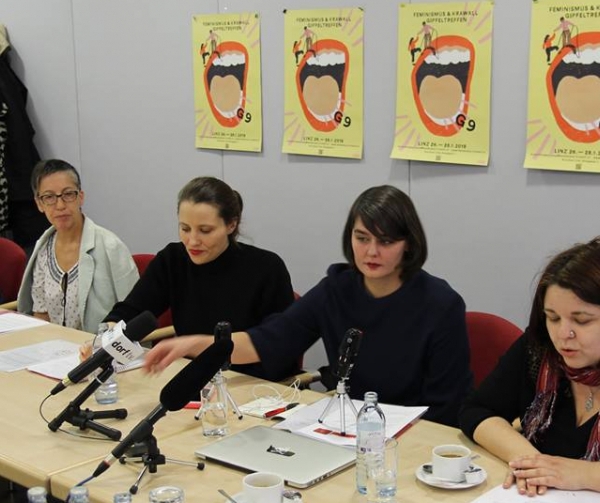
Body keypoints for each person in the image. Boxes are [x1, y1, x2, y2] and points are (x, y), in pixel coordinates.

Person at [145, 185, 472, 427]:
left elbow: (446, 409)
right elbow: (268, 341)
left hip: (415, 433)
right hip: (345, 426)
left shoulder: (440, 305)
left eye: (385, 241)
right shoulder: (336, 289)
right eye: (362, 238)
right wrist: (195, 344)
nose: (371, 251)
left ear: (408, 244)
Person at [104, 176, 296, 380]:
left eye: (205, 231)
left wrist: (193, 345)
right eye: (185, 228)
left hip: (252, 383)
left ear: (231, 225)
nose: (192, 241)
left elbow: (278, 344)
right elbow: (130, 311)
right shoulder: (172, 260)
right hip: (193, 378)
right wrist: (105, 338)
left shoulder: (266, 268)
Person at [459, 238, 600, 496]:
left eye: (581, 321)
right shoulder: (540, 350)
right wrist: (532, 463)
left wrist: (586, 474)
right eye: (553, 318)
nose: (563, 334)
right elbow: (477, 410)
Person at [17, 159, 138, 332]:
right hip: (56, 345)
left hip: (100, 346)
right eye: (49, 197)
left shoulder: (111, 247)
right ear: (39, 204)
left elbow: (134, 313)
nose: (60, 205)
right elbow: (41, 315)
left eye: (68, 194)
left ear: (80, 197)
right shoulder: (43, 250)